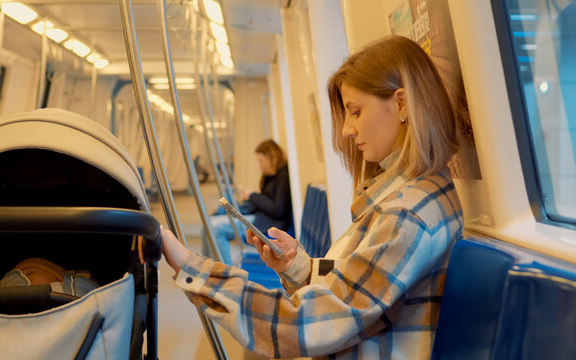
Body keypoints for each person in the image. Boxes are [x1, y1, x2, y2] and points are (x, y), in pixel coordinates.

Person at [144, 35, 463, 359]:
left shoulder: (406, 215)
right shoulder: (412, 197)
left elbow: (309, 324)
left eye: (355, 111)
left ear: (401, 103)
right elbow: (354, 291)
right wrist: (297, 267)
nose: (346, 131)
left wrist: (192, 268)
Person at [202, 139, 293, 264]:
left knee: (214, 228)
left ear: (272, 157)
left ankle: (225, 270)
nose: (259, 165)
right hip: (261, 217)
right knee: (210, 223)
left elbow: (278, 209)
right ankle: (211, 265)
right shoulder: (272, 175)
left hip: (268, 222)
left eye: (261, 161)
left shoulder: (283, 176)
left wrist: (252, 196)